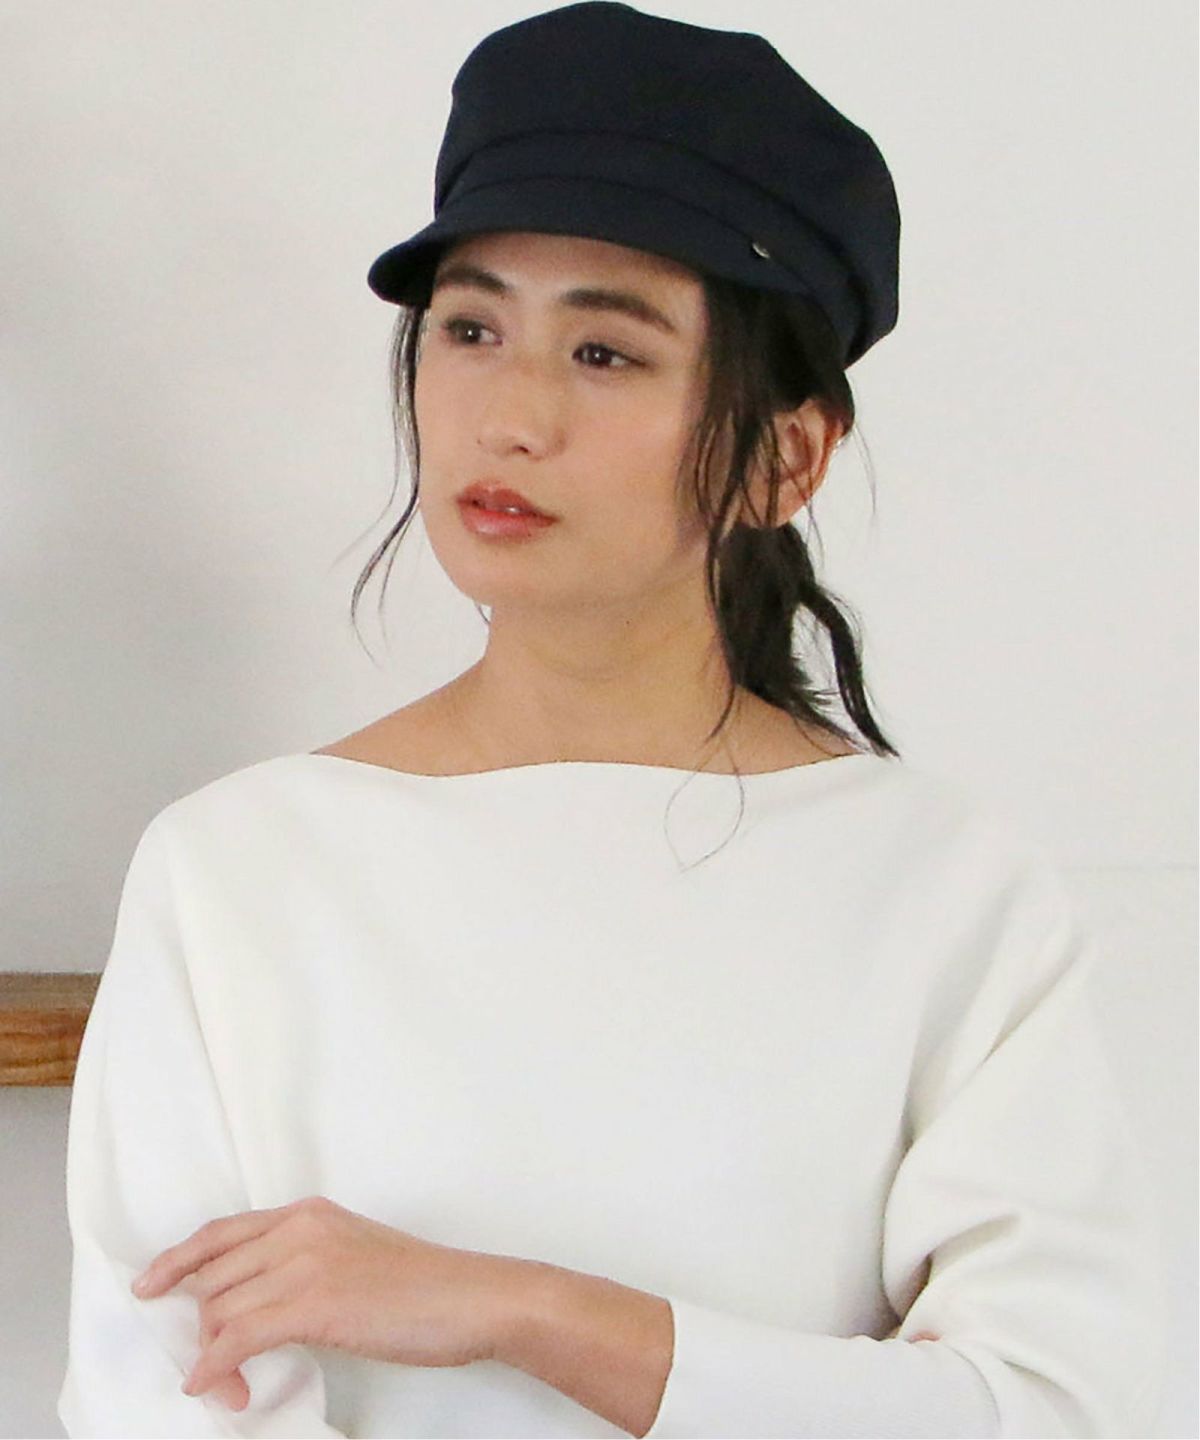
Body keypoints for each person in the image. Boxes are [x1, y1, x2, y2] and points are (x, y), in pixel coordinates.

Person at [58, 4, 1168, 1437]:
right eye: (471, 328)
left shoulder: (944, 888)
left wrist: (526, 1310)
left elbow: (1054, 1408)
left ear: (785, 458)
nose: (510, 416)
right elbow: (161, 1405)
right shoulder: (238, 870)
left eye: (606, 352)